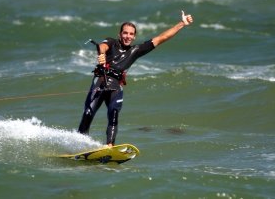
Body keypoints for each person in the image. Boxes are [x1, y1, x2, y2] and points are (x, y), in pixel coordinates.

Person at [77, 10, 194, 146]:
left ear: (134, 36)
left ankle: (109, 147)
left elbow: (161, 38)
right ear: (120, 34)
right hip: (100, 82)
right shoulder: (111, 42)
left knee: (113, 114)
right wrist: (101, 53)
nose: (128, 36)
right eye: (125, 33)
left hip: (116, 87)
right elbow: (102, 46)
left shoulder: (135, 51)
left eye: (131, 34)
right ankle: (78, 144)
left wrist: (182, 23)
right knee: (88, 113)